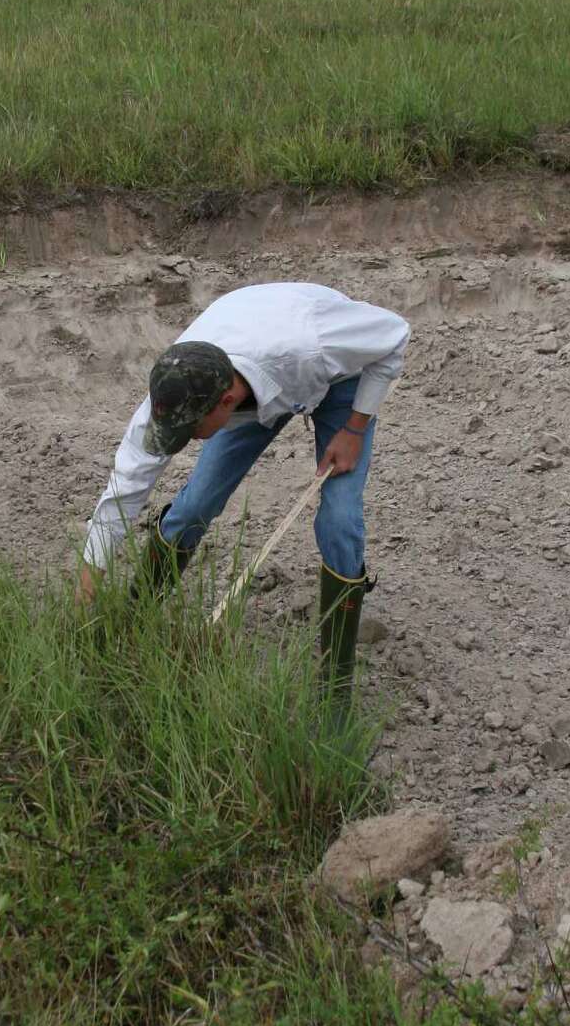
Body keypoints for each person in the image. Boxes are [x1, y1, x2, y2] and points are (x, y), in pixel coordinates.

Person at [79, 282, 410, 723]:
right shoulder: (179, 385)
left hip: (338, 380)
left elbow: (395, 335)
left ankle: (336, 689)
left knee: (339, 522)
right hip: (262, 379)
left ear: (226, 401)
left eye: (190, 431)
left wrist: (353, 429)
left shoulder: (312, 341)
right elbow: (122, 493)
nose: (183, 442)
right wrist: (85, 601)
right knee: (195, 505)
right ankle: (136, 619)